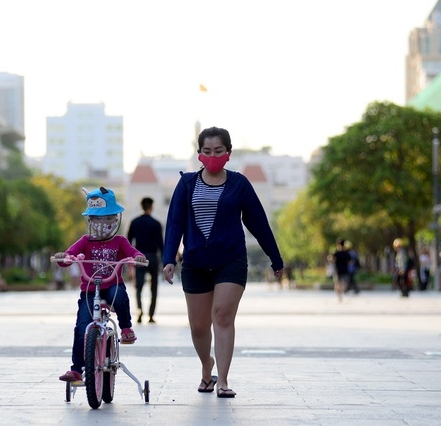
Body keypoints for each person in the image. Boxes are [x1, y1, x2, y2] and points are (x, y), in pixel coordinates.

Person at [162, 126, 284, 398]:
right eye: (207, 151)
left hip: (231, 259)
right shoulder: (187, 184)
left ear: (228, 153)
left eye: (218, 151)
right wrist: (169, 258)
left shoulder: (239, 184)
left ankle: (224, 381)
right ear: (199, 154)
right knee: (199, 326)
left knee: (222, 316)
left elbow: (258, 223)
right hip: (194, 261)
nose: (212, 156)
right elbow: (174, 223)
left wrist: (275, 258)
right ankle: (208, 367)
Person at [54, 187, 146, 383]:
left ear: (115, 220)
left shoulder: (120, 241)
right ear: (90, 221)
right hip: (89, 290)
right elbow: (67, 257)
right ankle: (76, 369)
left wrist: (137, 257)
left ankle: (126, 327)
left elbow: (133, 252)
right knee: (81, 328)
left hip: (112, 286)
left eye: (107, 219)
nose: (102, 224)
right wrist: (63, 257)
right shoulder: (85, 241)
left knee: (119, 295)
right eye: (96, 220)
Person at [127, 196, 164, 324]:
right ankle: (151, 315)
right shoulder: (156, 223)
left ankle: (139, 311)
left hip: (139, 257)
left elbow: (129, 242)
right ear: (151, 207)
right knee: (154, 287)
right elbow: (161, 244)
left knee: (139, 287)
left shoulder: (135, 222)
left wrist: (129, 257)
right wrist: (165, 260)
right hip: (153, 257)